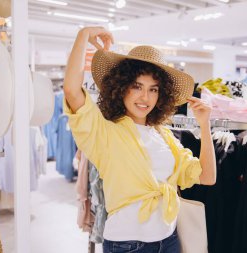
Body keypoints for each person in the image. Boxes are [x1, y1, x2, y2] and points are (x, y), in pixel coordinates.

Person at [63, 26, 216, 253]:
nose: (145, 97)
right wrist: (83, 35)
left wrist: (205, 125)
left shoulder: (165, 136)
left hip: (169, 240)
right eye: (137, 86)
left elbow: (207, 176)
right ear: (121, 88)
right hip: (126, 245)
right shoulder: (104, 133)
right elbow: (72, 91)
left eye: (153, 89)